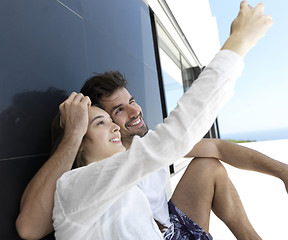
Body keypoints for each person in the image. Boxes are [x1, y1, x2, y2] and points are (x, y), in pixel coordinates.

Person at [16, 1, 281, 239]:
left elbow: (213, 147)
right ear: (80, 141)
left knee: (208, 165)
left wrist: (282, 172)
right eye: (113, 114)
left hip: (164, 226)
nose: (133, 113)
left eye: (132, 102)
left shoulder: (132, 158)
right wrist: (239, 43)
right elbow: (173, 138)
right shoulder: (80, 183)